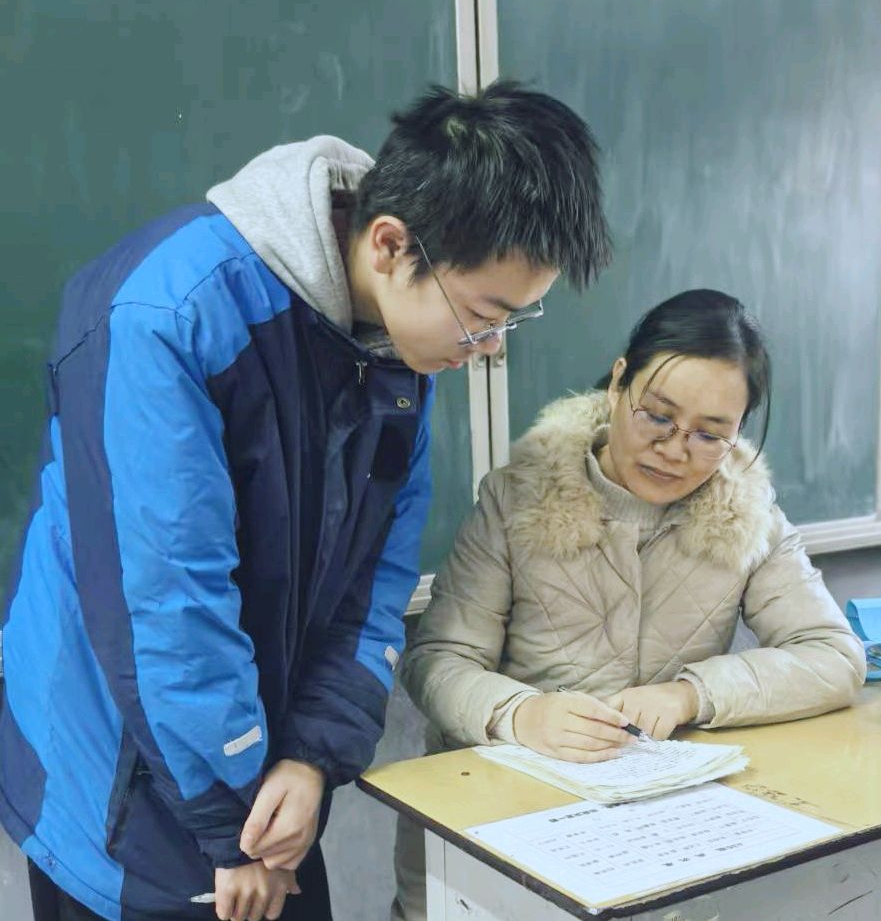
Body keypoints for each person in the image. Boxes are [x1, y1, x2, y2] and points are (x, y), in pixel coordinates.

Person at [0, 81, 612, 921]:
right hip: (122, 773)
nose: (489, 349)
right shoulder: (168, 314)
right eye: (482, 316)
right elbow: (166, 607)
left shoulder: (396, 347)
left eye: (511, 322)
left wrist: (312, 757)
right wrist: (231, 833)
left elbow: (373, 584)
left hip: (251, 766)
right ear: (390, 245)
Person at [392, 288, 866, 921]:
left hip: (656, 834)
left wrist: (691, 694)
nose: (675, 449)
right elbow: (438, 659)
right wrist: (522, 714)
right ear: (619, 382)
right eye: (658, 416)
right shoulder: (518, 498)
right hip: (501, 823)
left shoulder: (748, 516)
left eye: (710, 434)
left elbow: (834, 656)